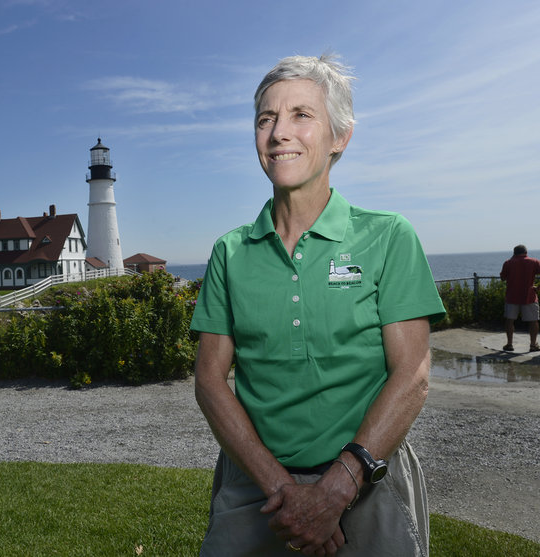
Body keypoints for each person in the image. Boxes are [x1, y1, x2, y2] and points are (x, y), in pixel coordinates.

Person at [190, 54, 446, 557]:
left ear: (340, 137)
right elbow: (209, 381)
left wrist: (337, 489)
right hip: (255, 489)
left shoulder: (389, 236)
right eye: (266, 118)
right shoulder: (231, 251)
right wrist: (283, 491)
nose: (279, 131)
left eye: (301, 115)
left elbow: (412, 374)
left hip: (370, 476)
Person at [499, 244, 540, 352]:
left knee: (509, 320)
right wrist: (538, 287)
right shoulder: (534, 262)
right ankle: (533, 345)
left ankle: (509, 344)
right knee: (533, 321)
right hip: (529, 296)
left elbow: (503, 278)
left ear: (514, 253)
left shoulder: (508, 263)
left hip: (512, 296)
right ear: (526, 252)